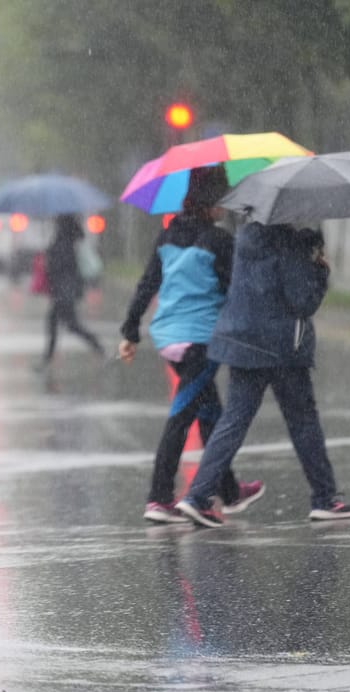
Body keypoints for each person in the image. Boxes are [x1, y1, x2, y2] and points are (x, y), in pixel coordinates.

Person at [175, 221, 350, 526]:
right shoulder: (294, 240)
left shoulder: (248, 234)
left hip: (242, 339)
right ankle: (325, 497)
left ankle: (197, 496)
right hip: (281, 346)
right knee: (303, 420)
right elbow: (302, 300)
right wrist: (320, 270)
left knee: (233, 420)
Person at [119, 167, 263, 524]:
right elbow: (236, 290)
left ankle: (229, 491)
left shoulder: (168, 235)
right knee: (182, 416)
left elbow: (147, 283)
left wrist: (130, 330)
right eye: (222, 200)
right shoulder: (219, 240)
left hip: (167, 336)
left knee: (209, 411)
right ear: (210, 203)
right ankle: (159, 498)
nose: (225, 207)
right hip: (200, 339)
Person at [37, 213, 104, 368]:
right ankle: (47, 360)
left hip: (64, 291)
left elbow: (60, 267)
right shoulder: (68, 239)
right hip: (65, 290)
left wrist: (49, 257)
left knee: (69, 324)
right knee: (58, 323)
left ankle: (98, 347)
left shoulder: (63, 241)